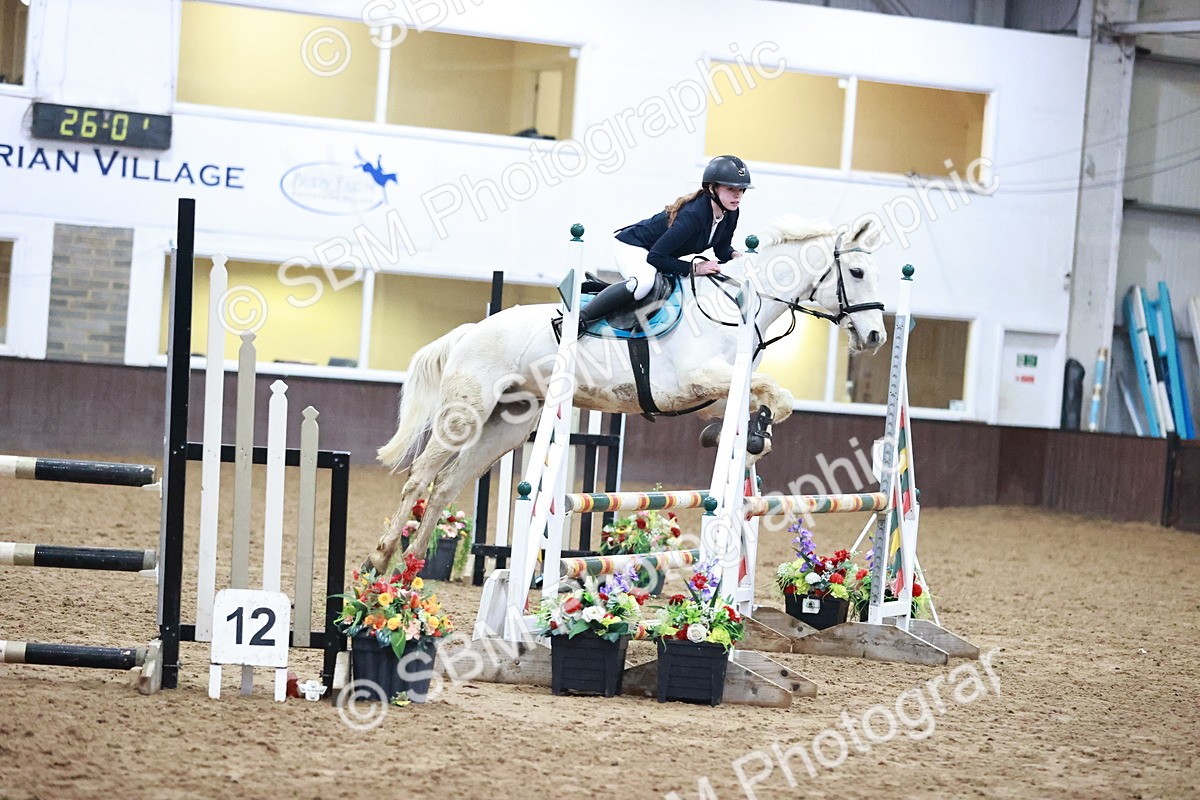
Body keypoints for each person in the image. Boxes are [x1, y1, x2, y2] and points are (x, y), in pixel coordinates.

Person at [576, 154, 753, 331]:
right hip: (633, 246)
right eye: (730, 189)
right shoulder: (694, 215)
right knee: (643, 284)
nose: (737, 195)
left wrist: (735, 256)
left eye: (741, 190)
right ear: (712, 188)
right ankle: (581, 320)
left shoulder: (731, 213)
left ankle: (604, 290)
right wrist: (695, 268)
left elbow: (722, 248)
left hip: (657, 253)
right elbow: (655, 257)